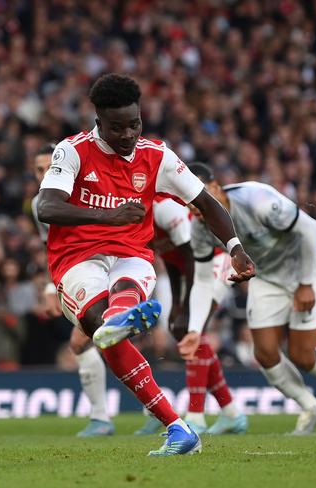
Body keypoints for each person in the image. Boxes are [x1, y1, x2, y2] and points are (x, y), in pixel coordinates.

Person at [37, 74, 255, 456]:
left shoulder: (157, 155)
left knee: (120, 304)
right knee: (98, 323)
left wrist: (236, 247)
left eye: (134, 124)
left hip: (132, 255)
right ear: (98, 121)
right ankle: (177, 425)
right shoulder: (72, 151)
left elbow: (206, 204)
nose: (127, 135)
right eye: (117, 127)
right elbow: (47, 206)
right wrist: (110, 217)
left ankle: (120, 328)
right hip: (78, 257)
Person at [188, 163, 316, 435]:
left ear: (217, 187)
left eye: (202, 194)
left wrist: (305, 284)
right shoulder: (199, 230)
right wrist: (195, 330)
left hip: (307, 264)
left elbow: (306, 231)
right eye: (190, 199)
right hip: (268, 275)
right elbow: (203, 280)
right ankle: (310, 406)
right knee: (264, 352)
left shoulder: (257, 200)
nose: (197, 205)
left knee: (303, 355)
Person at [135, 197, 246, 436]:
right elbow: (171, 261)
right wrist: (177, 305)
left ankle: (196, 416)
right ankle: (231, 412)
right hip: (192, 271)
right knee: (186, 330)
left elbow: (191, 254)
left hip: (214, 262)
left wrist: (186, 308)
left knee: (192, 330)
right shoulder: (141, 218)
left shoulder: (163, 208)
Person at [31, 143, 114, 437]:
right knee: (98, 341)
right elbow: (51, 248)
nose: (44, 174)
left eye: (48, 168)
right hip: (79, 274)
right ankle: (112, 417)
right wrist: (51, 287)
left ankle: (102, 418)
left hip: (112, 267)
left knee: (84, 342)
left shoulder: (86, 192)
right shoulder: (39, 204)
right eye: (38, 170)